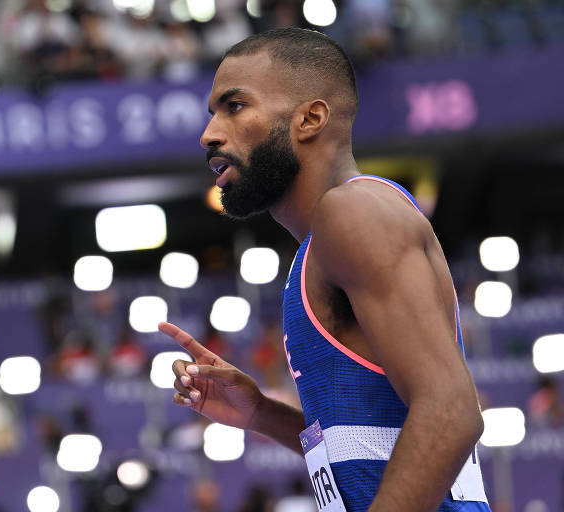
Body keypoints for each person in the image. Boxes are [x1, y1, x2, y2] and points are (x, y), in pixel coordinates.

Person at [161, 28, 490, 511]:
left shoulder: (353, 212)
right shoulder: (320, 245)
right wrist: (260, 414)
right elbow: (373, 443)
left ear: (310, 118)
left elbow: (452, 409)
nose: (209, 133)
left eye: (234, 106)